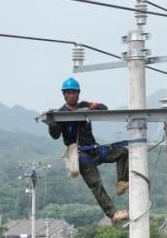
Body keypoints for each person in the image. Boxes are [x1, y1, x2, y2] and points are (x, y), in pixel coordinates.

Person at [45, 77, 129, 223]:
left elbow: (103, 108)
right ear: (64, 95)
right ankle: (113, 214)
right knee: (96, 184)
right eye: (68, 93)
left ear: (78, 94)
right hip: (81, 155)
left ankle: (122, 181)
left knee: (122, 152)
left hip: (94, 149)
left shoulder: (84, 105)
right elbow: (55, 135)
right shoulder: (61, 113)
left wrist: (89, 108)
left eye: (74, 93)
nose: (71, 95)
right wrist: (52, 122)